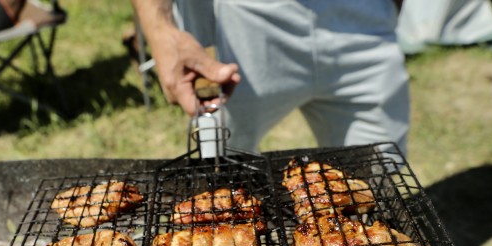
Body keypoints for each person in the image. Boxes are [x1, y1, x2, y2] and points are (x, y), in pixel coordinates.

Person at [131, 0, 409, 160]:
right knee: (224, 175)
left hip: (360, 16)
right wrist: (160, 29)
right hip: (240, 18)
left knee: (380, 176)